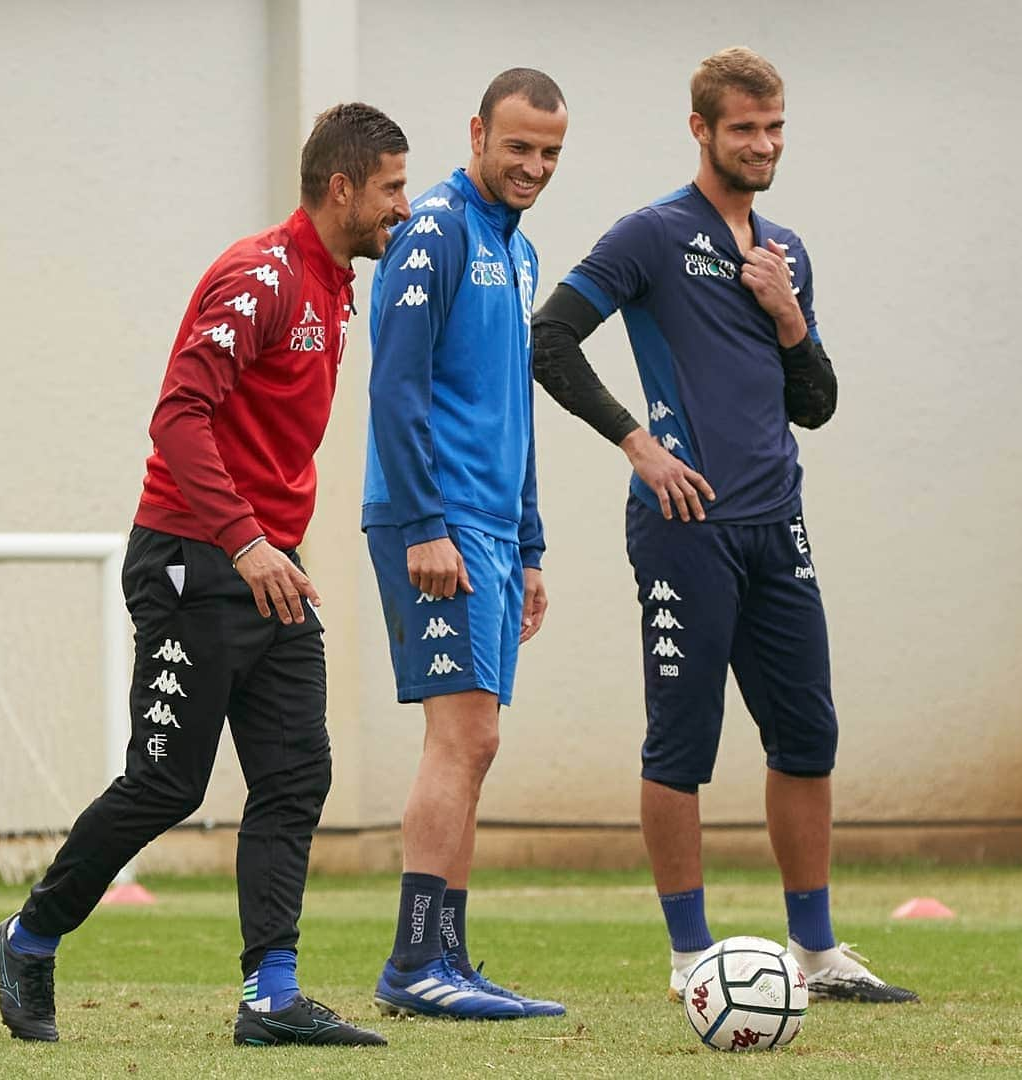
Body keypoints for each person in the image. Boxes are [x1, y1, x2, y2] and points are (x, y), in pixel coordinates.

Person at [0, 103, 412, 1047]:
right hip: (194, 557)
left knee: (299, 771)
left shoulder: (336, 286)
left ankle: (271, 995)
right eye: (390, 187)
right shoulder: (258, 275)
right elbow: (177, 415)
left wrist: (273, 549)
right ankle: (30, 934)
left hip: (269, 567)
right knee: (166, 783)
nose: (402, 205)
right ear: (340, 188)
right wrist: (246, 540)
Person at [532, 47, 919, 1005]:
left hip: (776, 525)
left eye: (775, 126)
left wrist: (790, 315)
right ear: (701, 130)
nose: (763, 144)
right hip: (684, 527)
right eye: (743, 127)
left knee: (807, 736)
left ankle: (819, 952)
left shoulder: (782, 252)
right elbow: (549, 339)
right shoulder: (651, 236)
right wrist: (638, 445)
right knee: (682, 741)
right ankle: (688, 956)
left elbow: (816, 406)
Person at [362, 69, 568, 1021]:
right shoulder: (435, 231)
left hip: (489, 529)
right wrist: (424, 525)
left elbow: (515, 405)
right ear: (478, 132)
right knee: (461, 737)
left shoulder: (517, 253)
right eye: (518, 146)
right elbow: (395, 387)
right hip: (433, 526)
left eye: (550, 154)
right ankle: (414, 967)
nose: (532, 167)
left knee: (477, 743)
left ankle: (447, 956)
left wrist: (529, 546)